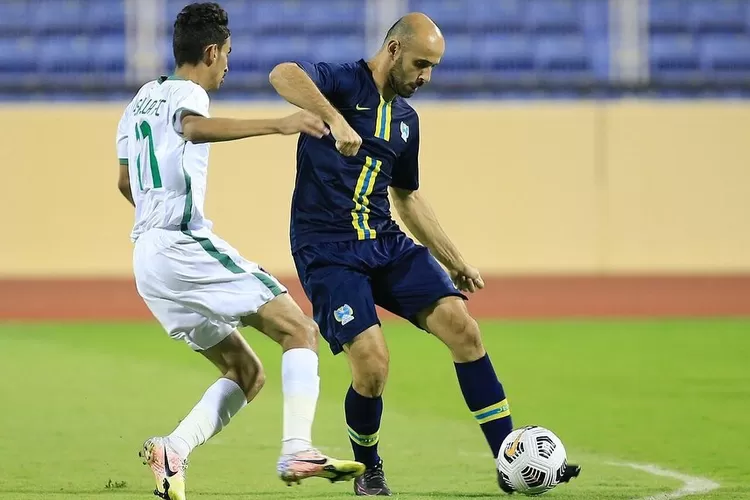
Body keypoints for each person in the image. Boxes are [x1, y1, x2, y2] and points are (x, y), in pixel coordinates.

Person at [269, 12, 582, 496]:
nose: (425, 77)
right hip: (326, 251)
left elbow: (407, 196)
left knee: (464, 328)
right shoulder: (342, 82)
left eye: (432, 67)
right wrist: (331, 118)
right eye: (420, 64)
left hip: (385, 242)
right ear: (393, 50)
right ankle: (368, 468)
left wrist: (454, 259)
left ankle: (508, 458)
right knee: (372, 364)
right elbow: (281, 73)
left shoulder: (407, 122)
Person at [115, 3, 365, 499]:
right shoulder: (188, 94)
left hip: (146, 255)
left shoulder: (139, 100)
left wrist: (156, 211)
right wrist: (279, 124)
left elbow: (126, 182)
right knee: (300, 328)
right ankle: (298, 448)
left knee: (246, 373)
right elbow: (191, 128)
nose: (228, 64)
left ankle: (173, 450)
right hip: (181, 242)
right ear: (211, 52)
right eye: (227, 54)